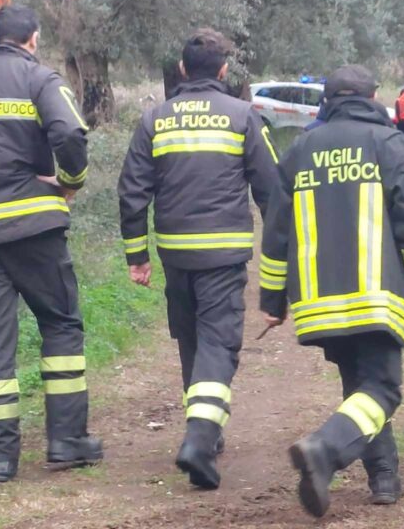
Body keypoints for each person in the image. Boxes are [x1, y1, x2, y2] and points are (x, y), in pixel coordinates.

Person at [260, 64, 404, 518]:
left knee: (359, 387)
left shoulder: (300, 149)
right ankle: (324, 450)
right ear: (374, 96)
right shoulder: (391, 145)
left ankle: (384, 478)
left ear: (326, 99)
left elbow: (275, 230)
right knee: (382, 389)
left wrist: (272, 300)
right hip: (378, 295)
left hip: (320, 300)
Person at [118, 29, 287, 489]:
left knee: (190, 338)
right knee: (218, 342)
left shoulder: (155, 118)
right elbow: (271, 191)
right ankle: (199, 437)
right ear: (224, 71)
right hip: (223, 253)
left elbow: (132, 189)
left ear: (180, 70)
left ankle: (206, 433)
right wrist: (282, 256)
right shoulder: (242, 116)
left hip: (175, 253)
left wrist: (137, 254)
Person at [0, 4, 102, 482]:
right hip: (35, 227)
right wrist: (69, 182)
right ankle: (66, 441)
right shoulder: (41, 80)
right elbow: (70, 131)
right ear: (33, 39)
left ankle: (1, 459)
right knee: (60, 326)